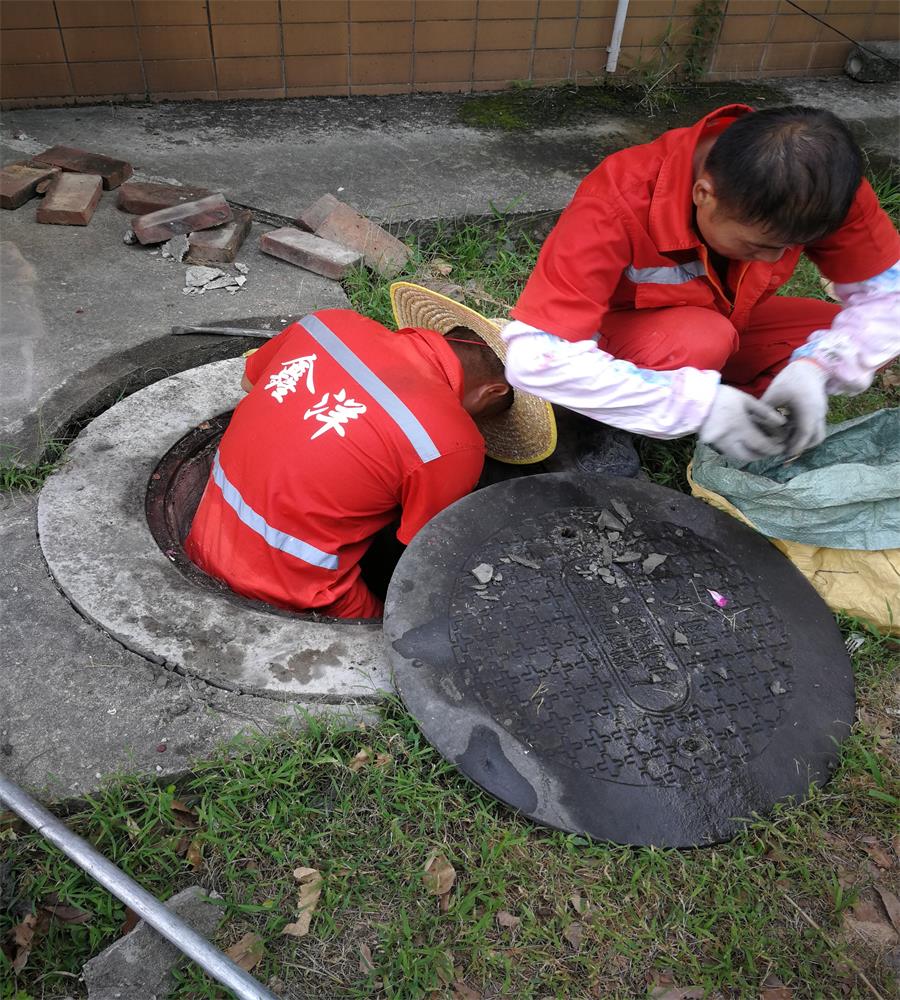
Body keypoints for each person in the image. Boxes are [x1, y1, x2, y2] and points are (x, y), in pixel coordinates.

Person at [501, 104, 900, 466]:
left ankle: (746, 420)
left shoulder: (818, 186)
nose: (779, 260)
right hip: (624, 335)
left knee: (842, 334)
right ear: (703, 194)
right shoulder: (616, 200)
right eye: (760, 246)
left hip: (730, 320)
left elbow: (889, 298)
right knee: (703, 339)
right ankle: (628, 418)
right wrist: (697, 405)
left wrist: (816, 368)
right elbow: (536, 359)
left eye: (792, 247)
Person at [185, 301, 554, 619]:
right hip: (295, 590)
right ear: (494, 390)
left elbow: (252, 385)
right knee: (391, 643)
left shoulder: (327, 324)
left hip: (203, 537)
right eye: (490, 415)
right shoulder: (452, 443)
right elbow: (422, 554)